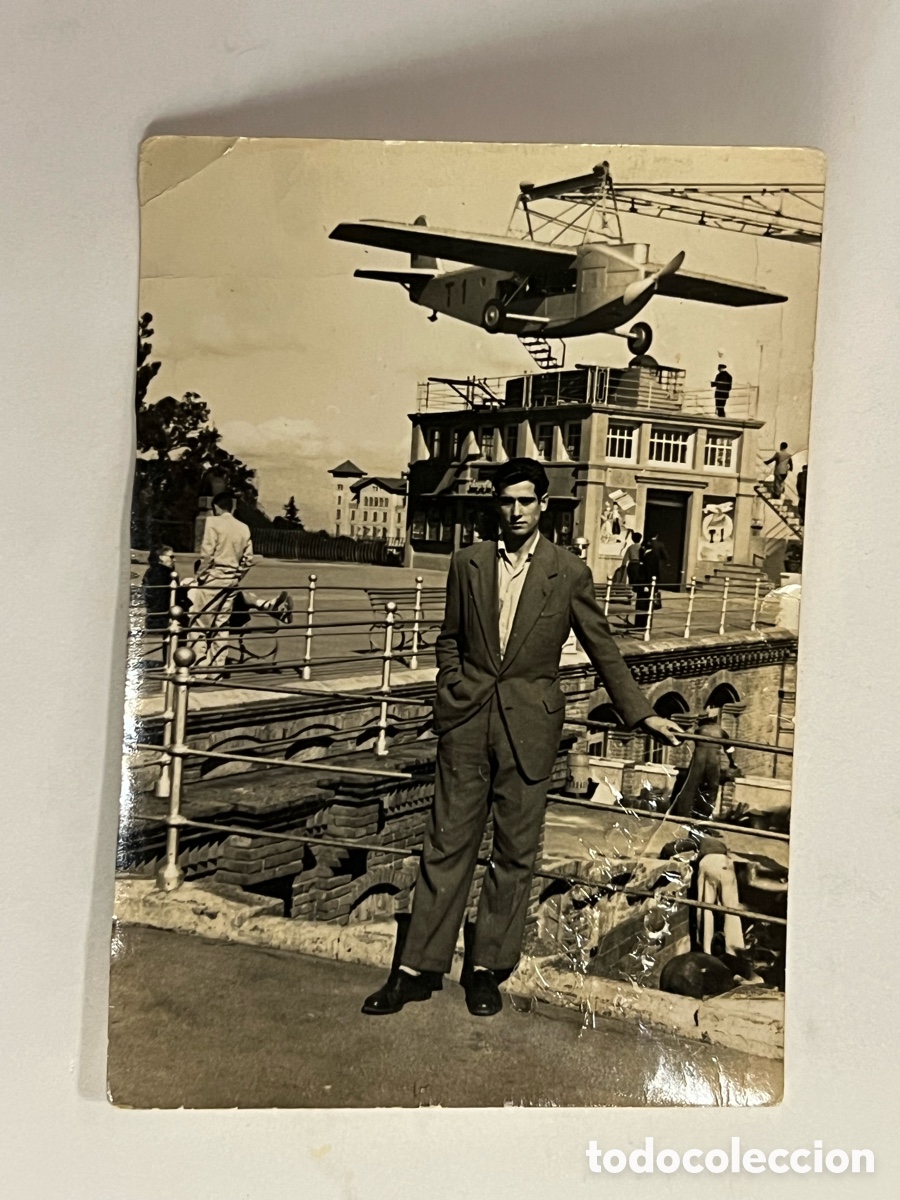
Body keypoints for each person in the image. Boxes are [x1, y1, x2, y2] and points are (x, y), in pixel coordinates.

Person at [361, 458, 682, 1018]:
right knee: (445, 847)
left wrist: (641, 713)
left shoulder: (569, 571)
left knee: (513, 854)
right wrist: (452, 688)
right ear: (497, 505)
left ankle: (486, 970)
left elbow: (603, 645)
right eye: (506, 502)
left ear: (543, 506)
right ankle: (415, 970)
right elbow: (450, 639)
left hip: (530, 729)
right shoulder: (468, 563)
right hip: (466, 724)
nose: (515, 511)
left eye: (525, 501)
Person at [189, 492, 255, 671]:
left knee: (200, 623)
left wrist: (200, 576)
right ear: (231, 507)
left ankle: (200, 667)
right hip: (231, 580)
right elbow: (248, 558)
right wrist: (237, 576)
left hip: (214, 578)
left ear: (216, 507)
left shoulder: (213, 523)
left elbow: (207, 554)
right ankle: (217, 669)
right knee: (222, 624)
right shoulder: (243, 528)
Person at [670, 712, 737, 821]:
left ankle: (682, 812)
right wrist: (732, 763)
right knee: (711, 787)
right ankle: (703, 814)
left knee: (690, 785)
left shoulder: (699, 730)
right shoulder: (721, 731)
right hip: (713, 761)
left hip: (699, 760)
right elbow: (729, 749)